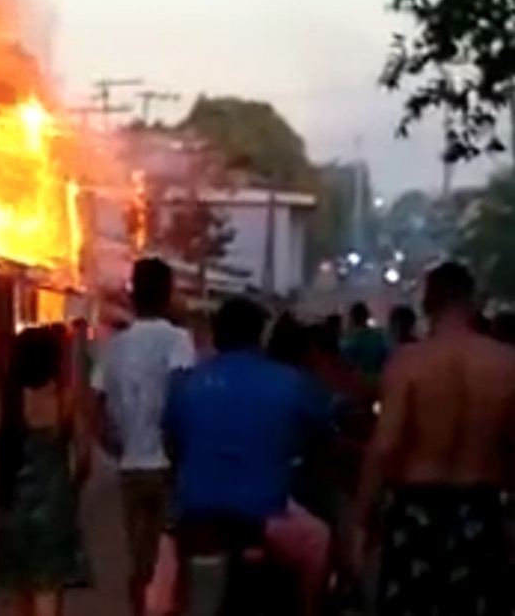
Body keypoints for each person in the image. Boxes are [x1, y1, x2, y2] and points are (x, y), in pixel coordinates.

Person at [354, 262, 515, 616]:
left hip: (417, 513)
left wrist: (362, 522)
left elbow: (385, 446)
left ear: (427, 304)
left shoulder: (408, 363)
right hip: (479, 511)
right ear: (473, 303)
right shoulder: (505, 364)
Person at [163, 297, 332, 616]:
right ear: (260, 336)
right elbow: (323, 431)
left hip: (195, 521)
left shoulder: (186, 384)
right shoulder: (291, 382)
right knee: (319, 540)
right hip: (266, 520)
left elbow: (172, 443)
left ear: (215, 334)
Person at [92, 257, 196, 615]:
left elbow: (97, 405)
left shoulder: (116, 346)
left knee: (139, 560)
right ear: (167, 294)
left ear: (134, 294)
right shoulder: (179, 340)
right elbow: (184, 398)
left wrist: (114, 443)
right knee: (173, 558)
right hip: (170, 467)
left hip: (131, 466)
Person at [0, 326, 92, 616]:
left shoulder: (9, 399)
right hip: (54, 506)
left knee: (20, 589)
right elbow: (83, 456)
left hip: (14, 505)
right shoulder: (66, 399)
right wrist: (72, 487)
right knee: (48, 589)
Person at [341, 302, 389, 385]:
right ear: (367, 317)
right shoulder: (379, 337)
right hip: (379, 380)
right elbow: (387, 357)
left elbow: (346, 363)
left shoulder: (350, 340)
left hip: (358, 382)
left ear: (352, 319)